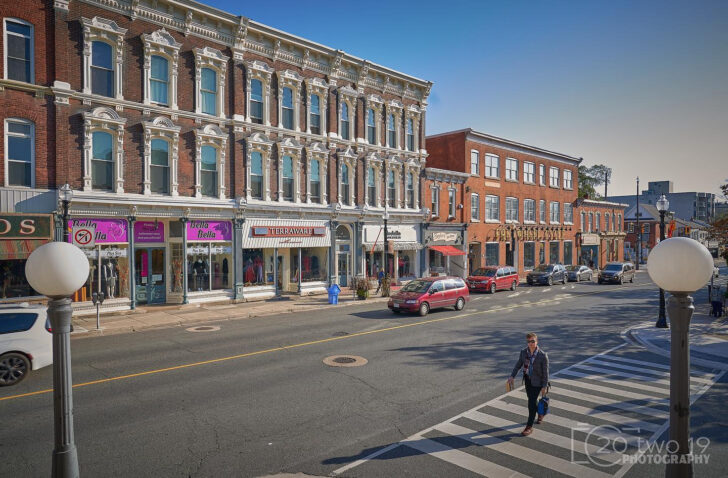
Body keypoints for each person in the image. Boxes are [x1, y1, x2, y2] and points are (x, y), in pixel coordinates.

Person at [507, 333, 549, 436]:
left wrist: (544, 386)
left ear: (537, 341)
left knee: (531, 402)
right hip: (528, 381)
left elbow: (546, 373)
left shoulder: (542, 355)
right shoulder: (523, 352)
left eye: (533, 341)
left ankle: (529, 426)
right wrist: (512, 376)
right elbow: (518, 365)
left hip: (538, 382)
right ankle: (540, 413)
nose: (531, 343)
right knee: (532, 400)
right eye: (529, 341)